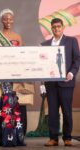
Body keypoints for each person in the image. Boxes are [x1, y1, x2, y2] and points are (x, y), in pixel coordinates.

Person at [41, 18, 80, 146]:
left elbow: (77, 60)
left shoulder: (72, 41)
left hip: (66, 82)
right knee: (52, 111)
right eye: (54, 27)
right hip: (51, 84)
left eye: (58, 26)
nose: (56, 29)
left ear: (63, 27)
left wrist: (71, 73)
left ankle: (67, 137)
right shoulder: (45, 45)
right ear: (51, 29)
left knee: (67, 111)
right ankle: (53, 138)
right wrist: (42, 82)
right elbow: (42, 65)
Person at [0, 8, 26, 146]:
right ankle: (1, 137)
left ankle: (18, 136)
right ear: (1, 20)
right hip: (2, 74)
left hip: (15, 74)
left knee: (16, 105)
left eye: (10, 18)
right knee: (4, 105)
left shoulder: (18, 37)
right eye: (5, 19)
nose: (8, 21)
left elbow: (22, 56)